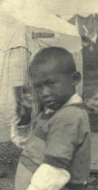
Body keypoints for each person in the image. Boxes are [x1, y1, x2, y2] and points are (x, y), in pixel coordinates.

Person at [12, 47, 91, 190]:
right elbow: (29, 144)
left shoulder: (69, 118)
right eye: (38, 87)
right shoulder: (54, 111)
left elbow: (55, 170)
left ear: (75, 79)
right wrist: (24, 119)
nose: (44, 93)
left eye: (51, 83)